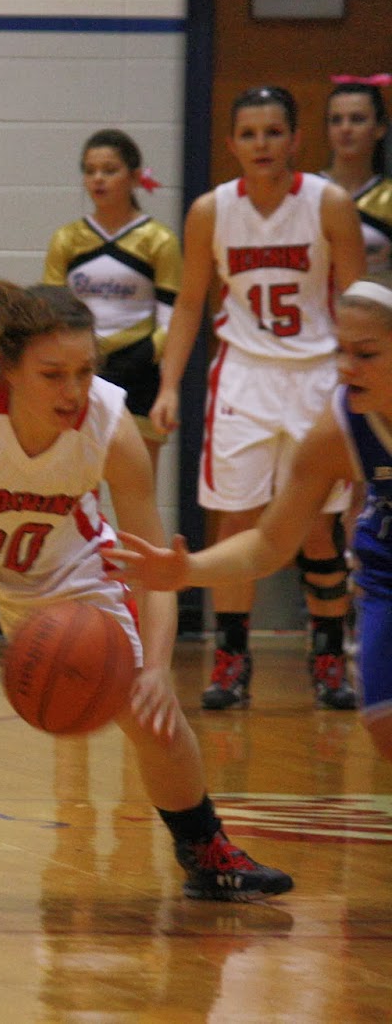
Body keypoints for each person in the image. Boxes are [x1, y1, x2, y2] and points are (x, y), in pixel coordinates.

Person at [0, 281, 292, 914]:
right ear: (6, 368)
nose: (72, 390)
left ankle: (205, 852)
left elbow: (153, 566)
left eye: (85, 371)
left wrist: (155, 668)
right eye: (53, 373)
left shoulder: (113, 430)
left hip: (67, 558)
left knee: (149, 709)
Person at [108, 273, 392, 762]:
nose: (346, 368)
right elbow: (268, 544)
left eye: (365, 355)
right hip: (386, 577)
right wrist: (188, 571)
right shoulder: (336, 429)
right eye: (339, 352)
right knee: (385, 730)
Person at [150, 85, 366, 712]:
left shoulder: (328, 204)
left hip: (317, 376)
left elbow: (356, 305)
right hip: (242, 375)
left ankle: (327, 652)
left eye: (274, 132)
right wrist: (168, 385)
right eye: (249, 134)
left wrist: (362, 388)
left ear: (296, 139)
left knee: (317, 529)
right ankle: (231, 658)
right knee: (237, 520)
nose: (262, 144)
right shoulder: (210, 211)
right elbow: (190, 301)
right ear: (232, 144)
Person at [43, 129, 181, 471]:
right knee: (72, 484)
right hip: (79, 372)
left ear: (135, 177)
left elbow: (173, 317)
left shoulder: (158, 240)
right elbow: (49, 313)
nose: (98, 179)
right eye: (90, 171)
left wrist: (145, 355)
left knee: (136, 485)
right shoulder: (67, 240)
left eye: (109, 170)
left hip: (139, 373)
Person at [321, 77, 392, 276]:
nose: (345, 128)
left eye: (357, 119)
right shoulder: (307, 192)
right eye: (336, 120)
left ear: (380, 129)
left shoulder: (389, 197)